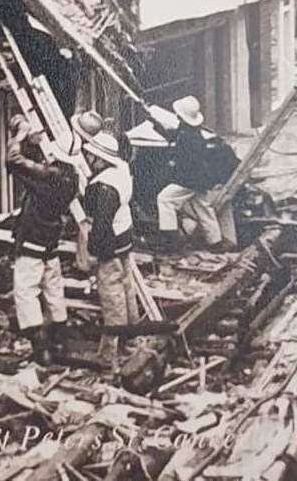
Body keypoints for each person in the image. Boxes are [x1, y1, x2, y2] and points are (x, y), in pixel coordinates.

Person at [6, 117, 83, 364]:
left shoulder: (49, 176)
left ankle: (40, 347)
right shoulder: (71, 175)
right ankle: (59, 338)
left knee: (26, 290)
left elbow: (13, 162)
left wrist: (18, 137)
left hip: (33, 236)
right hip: (51, 238)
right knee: (53, 286)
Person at [81, 131, 139, 373]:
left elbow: (101, 223)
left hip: (110, 245)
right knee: (127, 290)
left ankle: (109, 355)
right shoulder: (122, 171)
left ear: (99, 159)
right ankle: (131, 341)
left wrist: (95, 251)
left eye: (91, 156)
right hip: (125, 237)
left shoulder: (103, 187)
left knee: (112, 298)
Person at [154, 96, 223, 250]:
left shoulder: (187, 137)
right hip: (201, 179)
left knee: (164, 199)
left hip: (190, 179)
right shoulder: (192, 132)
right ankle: (216, 241)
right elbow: (174, 135)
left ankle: (170, 241)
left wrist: (171, 167)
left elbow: (183, 162)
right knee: (203, 208)